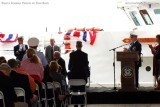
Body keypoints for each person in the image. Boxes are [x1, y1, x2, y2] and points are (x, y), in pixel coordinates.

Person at [68, 41, 89, 107]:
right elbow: (86, 65)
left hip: (74, 77)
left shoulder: (72, 54)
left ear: (76, 46)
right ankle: (82, 105)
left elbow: (69, 67)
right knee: (82, 91)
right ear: (81, 46)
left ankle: (75, 105)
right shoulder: (85, 55)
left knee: (74, 91)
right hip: (82, 77)